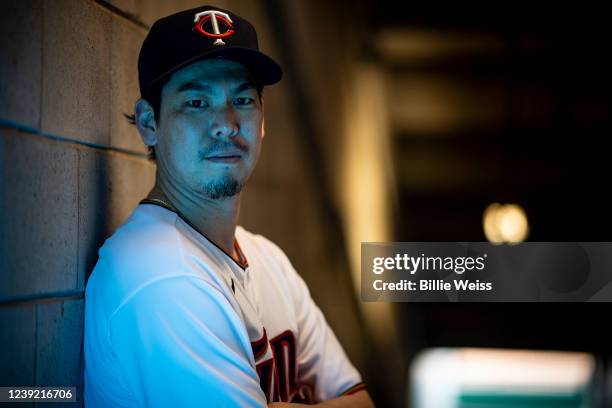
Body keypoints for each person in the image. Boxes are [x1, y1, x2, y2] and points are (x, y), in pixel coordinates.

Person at [84, 5, 374, 407]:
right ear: (150, 123)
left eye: (241, 99)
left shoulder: (267, 259)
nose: (227, 123)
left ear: (263, 120)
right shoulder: (160, 276)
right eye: (197, 103)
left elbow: (362, 400)